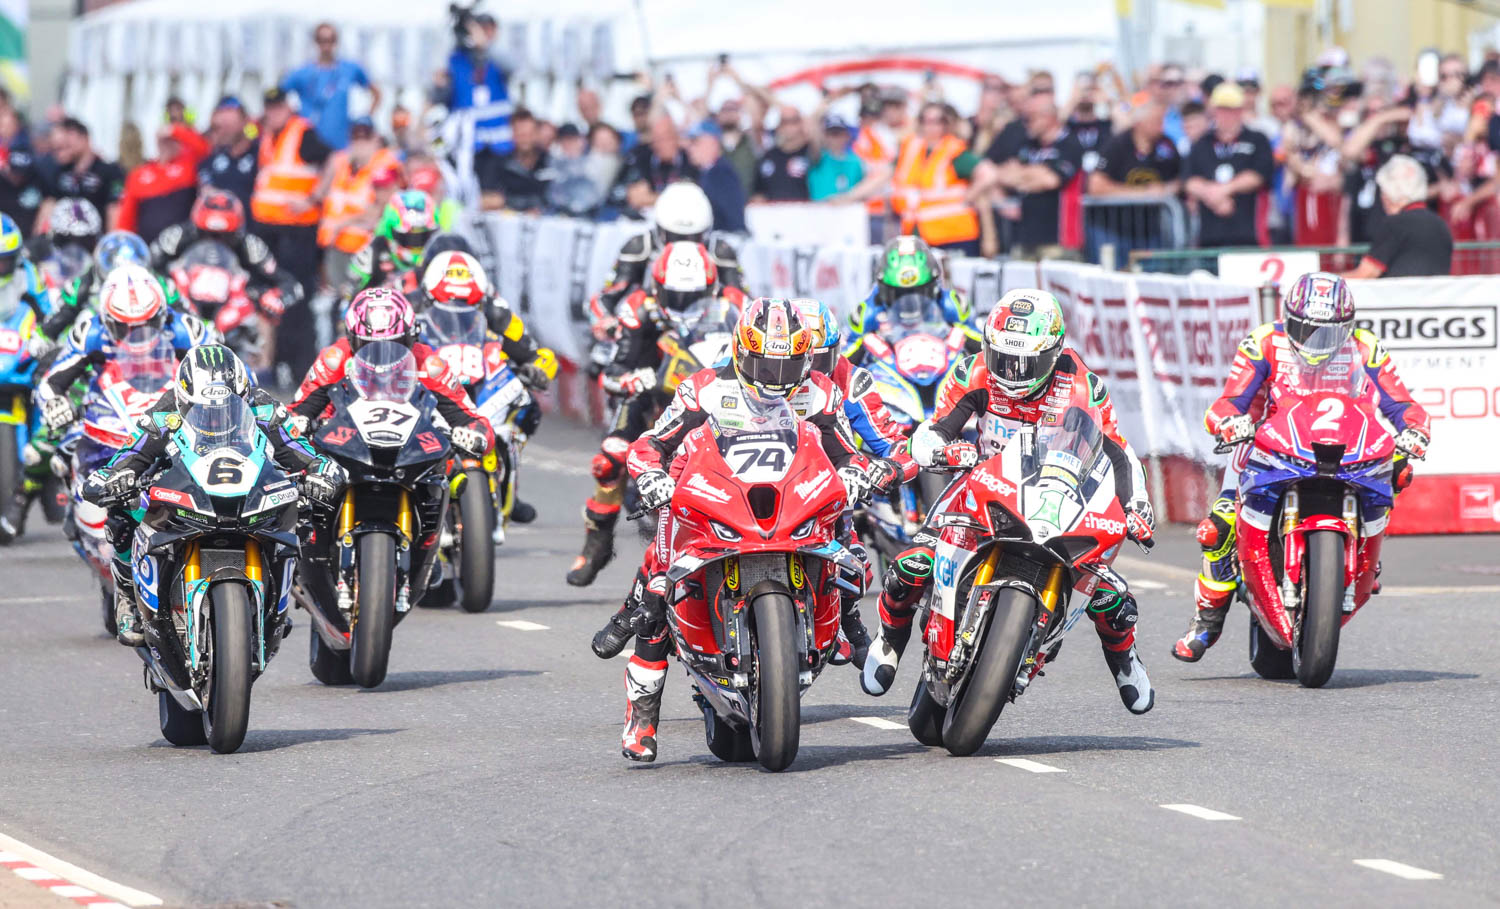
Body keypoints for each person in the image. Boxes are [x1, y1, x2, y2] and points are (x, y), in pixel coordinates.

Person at [860, 289, 1158, 716]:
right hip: (983, 483)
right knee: (912, 565)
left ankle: (1124, 659)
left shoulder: (1082, 385)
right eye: (1002, 358)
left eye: (1024, 362)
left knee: (1112, 596)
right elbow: (936, 428)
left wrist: (1137, 506)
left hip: (1056, 495)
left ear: (1053, 353)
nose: (1011, 372)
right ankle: (889, 638)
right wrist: (939, 450)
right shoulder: (974, 371)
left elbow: (1119, 452)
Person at [616, 298, 867, 762]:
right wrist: (652, 475)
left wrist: (857, 473)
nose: (775, 378)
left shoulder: (822, 394)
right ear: (740, 354)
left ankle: (848, 620)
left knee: (849, 551)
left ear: (806, 360)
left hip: (790, 499)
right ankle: (642, 716)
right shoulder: (703, 389)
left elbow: (849, 451)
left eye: (787, 365)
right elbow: (652, 442)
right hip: (712, 498)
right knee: (658, 585)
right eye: (764, 365)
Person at [1172, 273, 1431, 663]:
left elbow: (1400, 403)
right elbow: (1229, 402)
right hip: (1268, 445)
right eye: (1305, 330)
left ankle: (1364, 561)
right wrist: (1229, 422)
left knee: (1398, 469)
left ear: (1347, 327)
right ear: (1287, 318)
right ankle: (1208, 619)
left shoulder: (1366, 347)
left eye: (1326, 334)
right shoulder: (1264, 341)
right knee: (1219, 526)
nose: (1314, 342)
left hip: (1346, 447)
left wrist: (1415, 429)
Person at [81, 344, 346, 644]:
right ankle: (128, 594)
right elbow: (131, 455)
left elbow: (299, 449)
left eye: (226, 408)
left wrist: (320, 470)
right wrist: (113, 477)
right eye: (204, 411)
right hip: (185, 492)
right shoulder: (165, 411)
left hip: (250, 490)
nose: (216, 417)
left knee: (305, 514)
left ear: (244, 396)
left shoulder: (264, 407)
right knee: (123, 510)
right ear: (184, 400)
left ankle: (274, 602)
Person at [567, 241, 740, 588]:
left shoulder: (731, 307)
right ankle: (597, 542)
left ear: (711, 287)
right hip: (650, 393)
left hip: (709, 391)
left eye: (695, 295)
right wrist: (633, 378)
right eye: (676, 296)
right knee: (610, 456)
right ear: (658, 287)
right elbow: (614, 369)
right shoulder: (638, 309)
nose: (685, 304)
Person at [421, 249, 556, 525]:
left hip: (484, 390)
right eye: (448, 303)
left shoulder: (500, 315)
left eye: (465, 303)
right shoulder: (415, 318)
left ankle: (510, 487)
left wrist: (539, 369)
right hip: (435, 394)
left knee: (528, 409)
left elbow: (536, 353)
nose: (455, 311)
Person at [289, 287, 495, 460]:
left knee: (457, 472)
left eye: (394, 344)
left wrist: (473, 436)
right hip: (340, 448)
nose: (381, 357)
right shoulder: (334, 359)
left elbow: (475, 421)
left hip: (414, 452)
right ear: (351, 339)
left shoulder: (429, 364)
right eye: (368, 346)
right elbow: (294, 413)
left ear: (411, 338)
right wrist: (299, 423)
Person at [586, 182, 743, 340]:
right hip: (648, 331)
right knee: (604, 356)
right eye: (674, 236)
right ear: (659, 231)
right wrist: (606, 322)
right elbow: (608, 295)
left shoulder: (720, 251)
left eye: (693, 237)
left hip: (703, 333)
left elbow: (743, 300)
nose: (683, 244)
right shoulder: (639, 247)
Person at [251, 87, 331, 380]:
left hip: (296, 231)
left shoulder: (302, 133)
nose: (273, 112)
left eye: (277, 107)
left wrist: (313, 198)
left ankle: (301, 368)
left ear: (288, 107)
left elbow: (333, 159)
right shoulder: (268, 135)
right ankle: (275, 364)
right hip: (269, 231)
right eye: (269, 107)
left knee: (295, 299)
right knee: (269, 300)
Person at [150, 189, 301, 319]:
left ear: (237, 232)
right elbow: (146, 264)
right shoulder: (177, 236)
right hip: (182, 304)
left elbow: (290, 284)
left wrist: (274, 298)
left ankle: (257, 352)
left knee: (265, 322)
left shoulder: (250, 245)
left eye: (225, 237)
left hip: (234, 310)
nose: (214, 245)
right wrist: (165, 284)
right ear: (196, 228)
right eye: (207, 235)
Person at [971, 95, 1085, 259]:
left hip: (1058, 240)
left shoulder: (1071, 143)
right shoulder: (1027, 144)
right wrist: (1006, 195)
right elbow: (995, 172)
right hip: (1025, 238)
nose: (1025, 123)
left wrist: (1020, 174)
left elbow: (1050, 180)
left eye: (1029, 118)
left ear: (1048, 117)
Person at [844, 235, 980, 362]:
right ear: (882, 289)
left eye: (920, 292)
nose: (909, 304)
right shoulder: (865, 313)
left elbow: (983, 344)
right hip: (888, 379)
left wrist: (961, 333)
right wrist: (864, 342)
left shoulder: (953, 304)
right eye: (898, 294)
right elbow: (842, 360)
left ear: (935, 285)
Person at [1086, 101, 1182, 257]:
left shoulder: (1167, 145)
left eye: (1161, 121)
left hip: (1151, 230)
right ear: (1139, 123)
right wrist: (1141, 194)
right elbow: (1095, 186)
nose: (1161, 127)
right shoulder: (1117, 144)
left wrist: (1165, 190)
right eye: (1155, 122)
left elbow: (1180, 179)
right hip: (1114, 229)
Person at [1184, 82, 1274, 248]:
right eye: (1221, 109)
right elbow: (1189, 180)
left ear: (1240, 111)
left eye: (1232, 109)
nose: (1226, 115)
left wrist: (1225, 189)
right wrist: (1213, 196)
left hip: (1249, 235)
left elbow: (1258, 175)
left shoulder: (1256, 139)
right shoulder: (1202, 143)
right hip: (1210, 237)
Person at [317, 117, 401, 289]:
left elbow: (385, 209)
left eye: (365, 138)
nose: (360, 143)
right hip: (335, 246)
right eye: (355, 138)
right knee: (338, 300)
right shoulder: (341, 163)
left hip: (366, 249)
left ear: (375, 139)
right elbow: (321, 195)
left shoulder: (385, 165)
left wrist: (344, 224)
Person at [1342, 155, 1452, 278]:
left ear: (1389, 194)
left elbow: (1366, 274)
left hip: (1402, 296)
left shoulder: (1395, 224)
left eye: (1383, 192)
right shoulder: (1440, 224)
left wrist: (1323, 281)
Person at [281, 23, 380, 151]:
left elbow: (376, 93)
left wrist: (364, 118)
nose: (326, 45)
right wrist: (293, 116)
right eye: (322, 40)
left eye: (330, 40)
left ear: (336, 42)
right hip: (309, 146)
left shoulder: (349, 69)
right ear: (316, 42)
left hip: (340, 145)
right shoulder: (302, 73)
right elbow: (278, 97)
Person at [116, 121, 211, 245]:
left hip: (182, 246)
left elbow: (204, 148)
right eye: (164, 141)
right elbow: (126, 219)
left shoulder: (188, 167)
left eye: (172, 141)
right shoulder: (138, 175)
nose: (168, 144)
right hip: (148, 247)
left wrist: (174, 130)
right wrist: (122, 242)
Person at [36, 118, 124, 235]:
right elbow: (49, 206)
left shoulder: (109, 171)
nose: (65, 145)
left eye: (69, 140)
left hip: (94, 242)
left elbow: (114, 210)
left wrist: (110, 243)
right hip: (64, 241)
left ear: (84, 138)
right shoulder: (60, 172)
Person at [347, 190, 438, 297]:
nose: (415, 243)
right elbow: (349, 296)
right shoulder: (374, 250)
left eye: (423, 235)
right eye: (409, 237)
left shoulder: (438, 252)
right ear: (391, 230)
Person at [611, 114, 698, 216]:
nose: (661, 144)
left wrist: (652, 198)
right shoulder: (640, 157)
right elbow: (624, 194)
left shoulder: (690, 160)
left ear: (677, 138)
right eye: (656, 139)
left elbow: (691, 200)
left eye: (666, 137)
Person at [477, 109, 554, 212]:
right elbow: (486, 200)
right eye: (520, 135)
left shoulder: (549, 163)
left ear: (536, 135)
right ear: (512, 135)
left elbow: (557, 198)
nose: (525, 140)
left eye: (528, 135)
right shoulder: (499, 165)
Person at [684, 120, 746, 233]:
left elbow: (731, 217)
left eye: (695, 142)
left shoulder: (720, 173)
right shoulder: (709, 172)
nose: (690, 148)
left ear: (713, 143)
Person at [198, 97, 259, 213]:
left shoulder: (260, 154)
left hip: (253, 227)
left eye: (229, 125)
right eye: (219, 127)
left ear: (245, 121)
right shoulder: (210, 161)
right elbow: (205, 190)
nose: (223, 131)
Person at [751, 106, 814, 203]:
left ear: (802, 124)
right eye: (784, 122)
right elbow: (758, 191)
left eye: (794, 121)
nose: (789, 126)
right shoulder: (768, 156)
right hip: (773, 215)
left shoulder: (812, 153)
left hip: (805, 214)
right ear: (778, 127)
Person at [0, 106, 42, 237]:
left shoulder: (24, 145)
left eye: (6, 124)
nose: (3, 128)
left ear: (16, 125)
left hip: (23, 220)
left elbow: (18, 175)